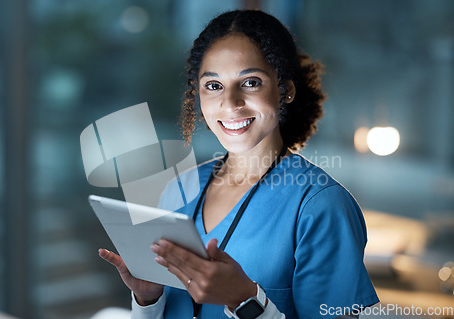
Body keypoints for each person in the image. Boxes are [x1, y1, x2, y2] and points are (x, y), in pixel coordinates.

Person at [99, 9, 379, 319]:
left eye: (251, 82)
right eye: (214, 86)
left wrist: (246, 300)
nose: (230, 103)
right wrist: (148, 299)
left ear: (285, 90)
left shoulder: (320, 205)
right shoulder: (179, 189)